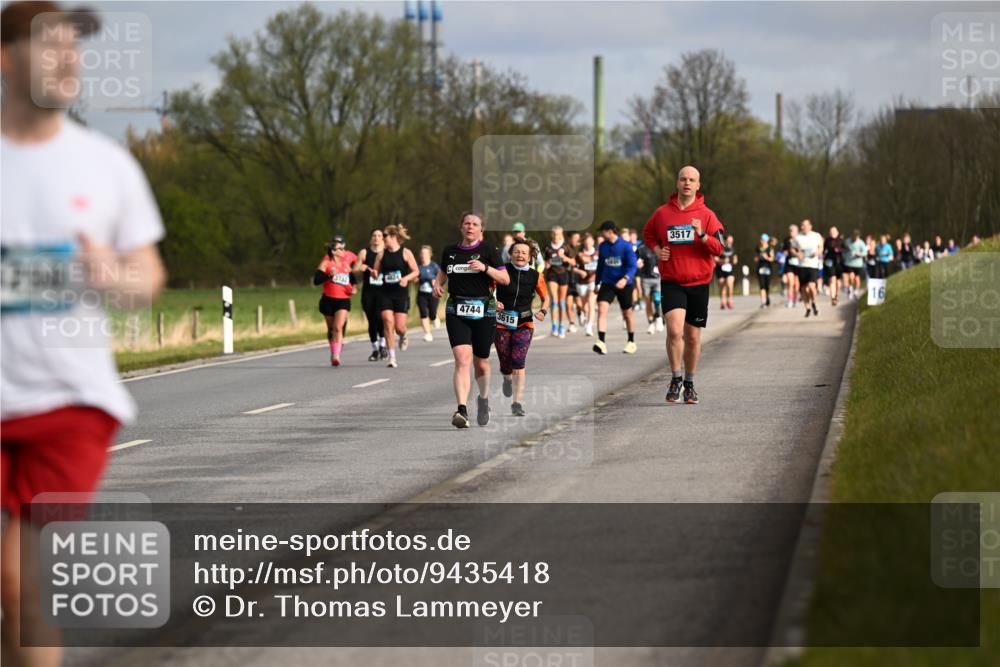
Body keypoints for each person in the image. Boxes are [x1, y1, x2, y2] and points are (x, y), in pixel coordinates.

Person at [1, 3, 167, 665]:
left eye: (76, 48)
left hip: (71, 402)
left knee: (23, 583)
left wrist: (112, 273)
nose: (69, 59)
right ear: (6, 57)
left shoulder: (106, 165)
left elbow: (147, 276)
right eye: (51, 46)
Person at [642, 165, 726, 404]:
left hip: (699, 283)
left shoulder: (707, 215)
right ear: (677, 183)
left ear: (698, 185)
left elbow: (719, 248)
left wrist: (701, 235)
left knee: (692, 337)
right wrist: (658, 250)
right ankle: (675, 378)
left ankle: (689, 383)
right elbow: (648, 234)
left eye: (692, 180)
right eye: (683, 179)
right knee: (674, 330)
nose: (687, 183)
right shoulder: (662, 213)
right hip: (672, 281)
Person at [433, 211, 509, 428]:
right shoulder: (450, 251)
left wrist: (485, 268)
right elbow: (443, 273)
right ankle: (461, 410)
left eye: (475, 224)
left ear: (481, 230)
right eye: (466, 223)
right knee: (462, 359)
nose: (470, 227)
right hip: (456, 308)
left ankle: (483, 400)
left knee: (481, 363)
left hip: (483, 310)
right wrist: (439, 285)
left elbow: (505, 278)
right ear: (461, 227)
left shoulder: (488, 251)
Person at [494, 240, 550, 416]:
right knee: (505, 360)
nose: (520, 255)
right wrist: (493, 301)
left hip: (524, 323)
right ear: (511, 254)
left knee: (518, 362)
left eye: (524, 253)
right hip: (502, 323)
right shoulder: (502, 271)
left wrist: (543, 310)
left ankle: (516, 403)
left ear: (530, 256)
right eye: (517, 252)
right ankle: (506, 377)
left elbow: (546, 298)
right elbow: (489, 290)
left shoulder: (535, 276)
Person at [373, 224, 419, 368]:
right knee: (387, 321)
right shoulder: (381, 254)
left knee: (399, 327)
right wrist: (374, 273)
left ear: (393, 237)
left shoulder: (406, 253)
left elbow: (416, 271)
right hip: (386, 293)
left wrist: (406, 278)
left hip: (401, 294)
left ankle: (403, 335)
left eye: (384, 236)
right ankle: (392, 357)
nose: (382, 239)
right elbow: (376, 271)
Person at [593, 220, 638, 355]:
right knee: (602, 309)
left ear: (609, 231)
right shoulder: (602, 246)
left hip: (624, 284)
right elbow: (600, 266)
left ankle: (631, 342)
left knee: (627, 313)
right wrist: (596, 283)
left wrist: (625, 279)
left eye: (602, 231)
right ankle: (601, 342)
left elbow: (633, 266)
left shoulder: (626, 246)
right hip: (607, 283)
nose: (601, 234)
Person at [313, 235, 357, 366]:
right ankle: (333, 350)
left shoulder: (346, 265)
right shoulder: (326, 263)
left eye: (344, 248)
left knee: (338, 327)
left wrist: (354, 288)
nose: (344, 251)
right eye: (341, 249)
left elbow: (354, 281)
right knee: (331, 329)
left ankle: (336, 355)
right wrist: (328, 276)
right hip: (328, 300)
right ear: (333, 251)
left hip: (343, 300)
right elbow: (316, 280)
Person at [357, 229, 388, 361]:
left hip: (383, 291)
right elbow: (355, 268)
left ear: (383, 238)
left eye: (379, 236)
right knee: (371, 320)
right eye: (374, 235)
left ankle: (383, 345)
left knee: (379, 317)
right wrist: (360, 267)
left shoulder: (387, 252)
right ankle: (375, 349)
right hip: (368, 292)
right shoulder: (365, 252)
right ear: (371, 238)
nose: (376, 238)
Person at [543, 225, 573, 338]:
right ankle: (554, 325)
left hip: (563, 275)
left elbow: (573, 262)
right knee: (554, 301)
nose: (556, 236)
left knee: (561, 302)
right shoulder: (548, 247)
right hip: (552, 275)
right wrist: (547, 264)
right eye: (554, 234)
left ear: (562, 235)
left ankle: (561, 326)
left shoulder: (566, 247)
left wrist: (564, 257)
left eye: (558, 234)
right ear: (552, 235)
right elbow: (545, 262)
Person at [792, 219, 824, 318]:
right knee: (804, 289)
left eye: (804, 225)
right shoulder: (797, 237)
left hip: (813, 265)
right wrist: (797, 254)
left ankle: (813, 302)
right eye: (801, 226)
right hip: (802, 265)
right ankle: (807, 308)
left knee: (811, 286)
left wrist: (818, 253)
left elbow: (821, 247)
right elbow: (792, 248)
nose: (802, 227)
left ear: (810, 226)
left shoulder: (816, 235)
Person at [573, 233, 599, 337]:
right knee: (584, 306)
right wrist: (580, 272)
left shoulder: (598, 253)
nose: (588, 244)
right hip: (582, 282)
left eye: (590, 242)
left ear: (593, 242)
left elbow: (602, 266)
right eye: (586, 242)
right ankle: (582, 312)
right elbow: (573, 267)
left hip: (593, 281)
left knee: (591, 303)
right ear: (584, 243)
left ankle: (589, 326)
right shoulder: (579, 254)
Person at [635, 237, 663, 334]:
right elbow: (635, 259)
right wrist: (638, 263)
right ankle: (651, 324)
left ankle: (658, 318)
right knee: (648, 301)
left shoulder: (661, 246)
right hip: (646, 278)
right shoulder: (642, 248)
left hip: (657, 278)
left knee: (657, 300)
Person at [416, 245, 441, 342]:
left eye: (425, 253)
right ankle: (427, 333)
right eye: (421, 253)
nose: (423, 255)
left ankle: (434, 317)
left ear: (430, 255)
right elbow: (414, 278)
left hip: (433, 294)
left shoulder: (434, 266)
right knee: (423, 313)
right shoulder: (419, 267)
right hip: (422, 294)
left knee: (432, 314)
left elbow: (441, 277)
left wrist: (437, 282)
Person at [823, 226, 846, 306]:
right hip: (830, 262)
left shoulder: (841, 241)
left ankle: (836, 295)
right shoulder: (827, 240)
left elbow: (846, 249)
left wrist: (839, 250)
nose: (832, 233)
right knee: (832, 279)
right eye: (831, 232)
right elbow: (823, 250)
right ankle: (833, 298)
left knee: (838, 281)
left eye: (834, 232)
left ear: (837, 232)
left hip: (839, 262)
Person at [843, 229, 868, 299]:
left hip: (858, 264)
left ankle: (856, 291)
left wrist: (859, 254)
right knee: (851, 277)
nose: (855, 238)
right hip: (849, 263)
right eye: (854, 236)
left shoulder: (861, 243)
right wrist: (845, 256)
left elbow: (865, 252)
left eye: (856, 237)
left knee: (857, 279)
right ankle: (850, 288)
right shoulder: (847, 241)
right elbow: (843, 249)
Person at [715, 234, 737, 310]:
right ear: (725, 241)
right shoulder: (720, 248)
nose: (730, 243)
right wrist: (723, 261)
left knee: (729, 283)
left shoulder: (733, 249)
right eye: (729, 241)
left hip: (730, 270)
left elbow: (735, 259)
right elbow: (715, 259)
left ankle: (730, 300)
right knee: (722, 286)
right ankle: (722, 301)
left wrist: (733, 261)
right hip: (720, 270)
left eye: (731, 242)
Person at [781, 223, 800, 309]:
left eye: (792, 231)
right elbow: (783, 250)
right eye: (790, 231)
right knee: (790, 283)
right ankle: (790, 300)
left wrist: (797, 253)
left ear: (797, 231)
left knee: (796, 284)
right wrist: (785, 252)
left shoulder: (800, 239)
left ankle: (795, 299)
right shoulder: (786, 240)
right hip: (789, 263)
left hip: (799, 264)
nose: (791, 232)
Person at [754, 233, 774, 308]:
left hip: (768, 268)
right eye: (761, 239)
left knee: (767, 286)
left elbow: (772, 259)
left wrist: (766, 258)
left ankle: (767, 297)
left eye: (763, 240)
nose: (762, 241)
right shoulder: (758, 248)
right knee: (762, 286)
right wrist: (759, 257)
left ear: (766, 240)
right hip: (760, 269)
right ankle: (763, 302)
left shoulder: (770, 248)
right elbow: (755, 259)